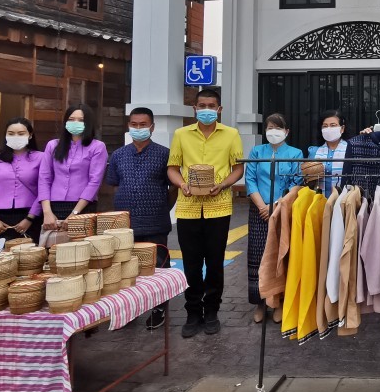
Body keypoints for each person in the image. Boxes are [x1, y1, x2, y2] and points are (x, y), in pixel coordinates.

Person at [167, 88, 244, 338]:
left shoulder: (231, 135)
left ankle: (211, 311)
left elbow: (238, 168)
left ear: (219, 109)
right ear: (195, 109)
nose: (207, 110)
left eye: (212, 106)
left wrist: (222, 184)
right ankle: (192, 312)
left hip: (218, 207)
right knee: (190, 263)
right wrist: (182, 184)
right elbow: (173, 168)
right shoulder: (181, 134)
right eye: (202, 106)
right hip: (188, 208)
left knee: (214, 263)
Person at [105, 107, 174, 329]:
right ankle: (130, 309)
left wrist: (163, 207)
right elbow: (115, 186)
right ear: (128, 126)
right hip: (126, 225)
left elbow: (173, 187)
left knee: (158, 266)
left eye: (143, 125)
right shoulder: (118, 155)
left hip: (156, 220)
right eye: (134, 124)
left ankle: (159, 308)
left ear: (152, 127)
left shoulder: (165, 154)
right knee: (127, 268)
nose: (138, 128)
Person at [245, 113, 303, 323]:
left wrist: (277, 205)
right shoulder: (257, 151)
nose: (273, 132)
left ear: (286, 132)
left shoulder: (296, 154)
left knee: (281, 254)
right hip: (259, 211)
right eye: (270, 128)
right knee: (259, 257)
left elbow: (297, 181)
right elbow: (250, 179)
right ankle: (260, 303)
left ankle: (278, 300)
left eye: (278, 128)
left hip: (283, 210)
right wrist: (263, 206)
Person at [38, 104, 108, 234]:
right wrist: (47, 212)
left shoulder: (97, 147)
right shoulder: (53, 145)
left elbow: (94, 181)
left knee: (80, 249)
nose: (75, 123)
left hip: (83, 206)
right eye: (71, 119)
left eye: (81, 120)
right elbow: (44, 178)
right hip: (54, 206)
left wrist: (75, 213)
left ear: (88, 123)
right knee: (53, 250)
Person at [0, 117, 44, 245]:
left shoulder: (41, 157)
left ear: (30, 135)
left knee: (30, 259)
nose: (16, 137)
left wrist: (29, 219)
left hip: (30, 216)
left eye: (21, 134)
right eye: (11, 134)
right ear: (5, 135)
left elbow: (44, 190)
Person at [307, 110, 348, 196]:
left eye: (333, 125)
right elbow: (308, 182)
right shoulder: (314, 152)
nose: (328, 129)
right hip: (319, 202)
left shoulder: (350, 149)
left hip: (343, 201)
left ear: (342, 128)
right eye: (325, 126)